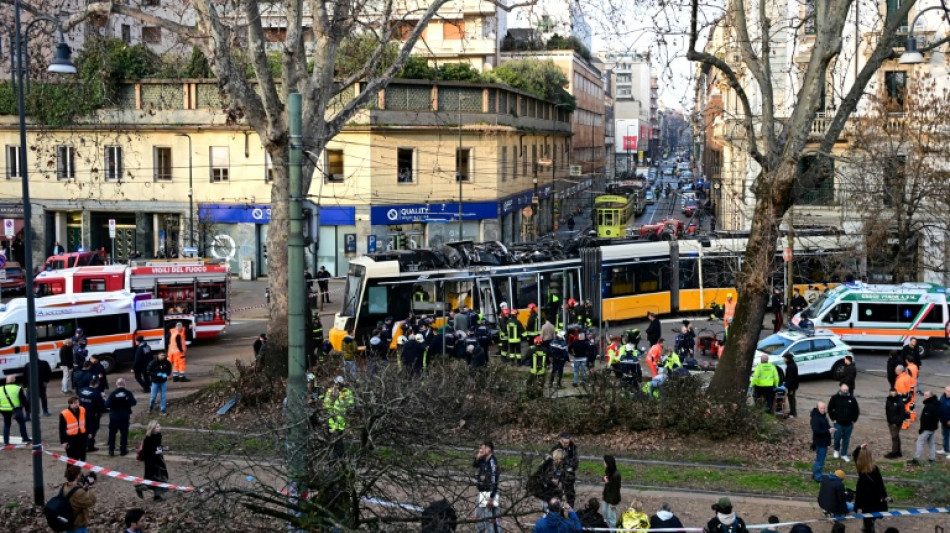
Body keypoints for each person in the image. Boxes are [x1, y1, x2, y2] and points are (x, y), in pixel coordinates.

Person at [854, 444, 888, 533]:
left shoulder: (860, 468)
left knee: (866, 514)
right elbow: (880, 483)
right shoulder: (875, 469)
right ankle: (870, 525)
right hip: (874, 497)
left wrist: (860, 447)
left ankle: (867, 527)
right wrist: (884, 496)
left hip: (864, 498)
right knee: (874, 513)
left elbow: (855, 455)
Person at [135, 420, 169, 501]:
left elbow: (157, 446)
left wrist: (163, 448)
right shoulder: (148, 438)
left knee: (160, 478)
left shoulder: (158, 435)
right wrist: (158, 451)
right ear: (153, 429)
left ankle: (157, 496)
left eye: (159, 426)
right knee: (152, 479)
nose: (160, 428)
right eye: (157, 427)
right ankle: (139, 488)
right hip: (151, 462)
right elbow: (148, 452)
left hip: (158, 460)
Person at [828, 383, 860, 462]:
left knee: (846, 439)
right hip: (838, 422)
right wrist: (833, 419)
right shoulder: (835, 398)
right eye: (844, 390)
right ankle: (836, 450)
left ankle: (844, 454)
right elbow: (830, 408)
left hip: (849, 423)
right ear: (840, 389)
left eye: (846, 390)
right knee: (837, 437)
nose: (845, 391)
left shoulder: (852, 399)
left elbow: (856, 410)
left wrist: (854, 420)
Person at [105, 378, 137, 456]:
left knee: (112, 433)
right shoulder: (128, 393)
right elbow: (134, 402)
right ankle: (123, 450)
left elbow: (107, 405)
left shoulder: (113, 394)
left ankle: (111, 450)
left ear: (117, 384)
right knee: (124, 434)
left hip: (114, 416)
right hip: (124, 416)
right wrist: (126, 402)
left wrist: (113, 404)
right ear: (124, 384)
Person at [473, 440, 500, 533]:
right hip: (482, 492)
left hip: (490, 493)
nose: (482, 450)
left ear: (489, 449)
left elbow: (495, 480)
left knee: (491, 522)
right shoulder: (483, 459)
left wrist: (491, 497)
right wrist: (478, 456)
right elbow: (474, 465)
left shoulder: (493, 462)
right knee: (479, 518)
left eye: (484, 448)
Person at [61, 464, 96, 533]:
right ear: (77, 476)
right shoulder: (78, 492)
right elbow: (91, 501)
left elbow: (77, 494)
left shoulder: (65, 486)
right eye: (80, 474)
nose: (82, 475)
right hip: (77, 525)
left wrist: (86, 486)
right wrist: (91, 486)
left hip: (69, 522)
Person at [910, 390, 939, 465]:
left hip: (927, 428)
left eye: (926, 395)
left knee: (920, 443)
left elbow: (926, 419)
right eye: (924, 395)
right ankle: (932, 459)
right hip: (933, 427)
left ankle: (916, 459)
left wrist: (921, 429)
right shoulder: (936, 403)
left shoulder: (929, 406)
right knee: (931, 443)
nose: (925, 397)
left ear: (930, 396)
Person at [78, 377, 105, 452]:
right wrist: (103, 398)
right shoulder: (96, 393)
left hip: (82, 413)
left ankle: (84, 444)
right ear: (96, 384)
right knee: (92, 430)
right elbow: (101, 406)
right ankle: (89, 446)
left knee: (84, 429)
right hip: (92, 415)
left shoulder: (81, 390)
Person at [551, 433, 579, 507]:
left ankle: (571, 509)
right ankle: (559, 510)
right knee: (557, 494)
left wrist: (568, 468)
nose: (565, 444)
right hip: (558, 476)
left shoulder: (573, 448)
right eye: (564, 442)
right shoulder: (555, 449)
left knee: (570, 495)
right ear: (560, 440)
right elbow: (552, 462)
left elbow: (575, 463)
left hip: (569, 476)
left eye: (567, 443)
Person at [0, 375, 30, 444]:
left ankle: (6, 441)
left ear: (6, 381)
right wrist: (27, 408)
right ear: (14, 380)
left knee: (7, 424)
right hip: (16, 409)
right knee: (21, 423)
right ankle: (25, 438)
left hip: (4, 409)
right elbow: (23, 400)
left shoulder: (0, 389)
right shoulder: (17, 388)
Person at [811, 401, 834, 482]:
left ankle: (815, 474)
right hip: (820, 442)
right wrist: (828, 431)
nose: (823, 410)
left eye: (824, 408)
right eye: (821, 408)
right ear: (817, 408)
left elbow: (825, 426)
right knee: (820, 460)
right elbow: (816, 431)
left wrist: (830, 428)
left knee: (819, 459)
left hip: (823, 441)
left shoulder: (822, 416)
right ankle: (818, 476)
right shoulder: (816, 418)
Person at [59, 396, 87, 461]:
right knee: (72, 458)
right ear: (70, 404)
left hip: (81, 436)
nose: (77, 404)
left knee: (82, 456)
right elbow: (62, 429)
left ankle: (80, 467)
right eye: (75, 403)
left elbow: (87, 422)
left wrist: (89, 432)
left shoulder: (82, 409)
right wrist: (63, 441)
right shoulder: (64, 413)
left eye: (78, 402)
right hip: (71, 439)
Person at [147, 351, 172, 416]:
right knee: (153, 397)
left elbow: (168, 371)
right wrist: (158, 374)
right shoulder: (153, 363)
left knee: (163, 396)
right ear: (158, 355)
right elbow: (148, 371)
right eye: (162, 355)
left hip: (163, 382)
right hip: (155, 382)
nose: (163, 356)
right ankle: (151, 407)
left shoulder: (167, 363)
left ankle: (163, 409)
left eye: (164, 355)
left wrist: (166, 375)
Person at [884, 388, 907, 459]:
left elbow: (902, 413)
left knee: (894, 437)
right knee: (896, 437)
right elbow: (887, 410)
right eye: (891, 392)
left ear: (896, 392)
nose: (893, 393)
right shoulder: (888, 400)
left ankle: (894, 452)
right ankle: (898, 451)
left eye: (894, 392)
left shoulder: (899, 401)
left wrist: (897, 423)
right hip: (890, 422)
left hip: (896, 423)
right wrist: (888, 420)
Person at [601, 455, 622, 531]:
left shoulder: (616, 475)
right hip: (606, 496)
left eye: (604, 461)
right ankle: (608, 528)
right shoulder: (608, 470)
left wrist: (613, 503)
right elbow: (605, 478)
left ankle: (612, 530)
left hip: (612, 499)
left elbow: (616, 490)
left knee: (611, 517)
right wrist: (604, 478)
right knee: (605, 512)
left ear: (608, 462)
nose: (603, 463)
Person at [783, 353, 799, 418]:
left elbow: (790, 377)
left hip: (792, 386)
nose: (784, 359)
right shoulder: (791, 365)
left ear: (787, 358)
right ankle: (792, 411)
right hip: (792, 385)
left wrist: (785, 384)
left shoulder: (791, 366)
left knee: (791, 398)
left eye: (784, 358)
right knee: (790, 398)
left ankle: (793, 413)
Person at [940, 385, 950, 456]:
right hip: (943, 421)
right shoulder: (943, 397)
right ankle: (945, 449)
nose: (948, 392)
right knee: (945, 435)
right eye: (947, 391)